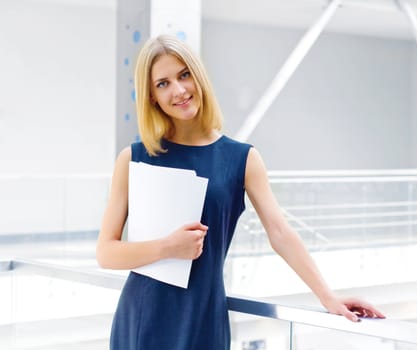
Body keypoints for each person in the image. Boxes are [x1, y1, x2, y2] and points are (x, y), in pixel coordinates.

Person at [96, 34, 384, 350]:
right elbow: (106, 252)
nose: (178, 90)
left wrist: (328, 297)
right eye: (162, 84)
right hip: (142, 318)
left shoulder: (242, 159)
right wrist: (168, 247)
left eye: (184, 75)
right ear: (151, 96)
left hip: (203, 317)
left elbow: (280, 233)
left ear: (198, 77)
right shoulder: (134, 158)